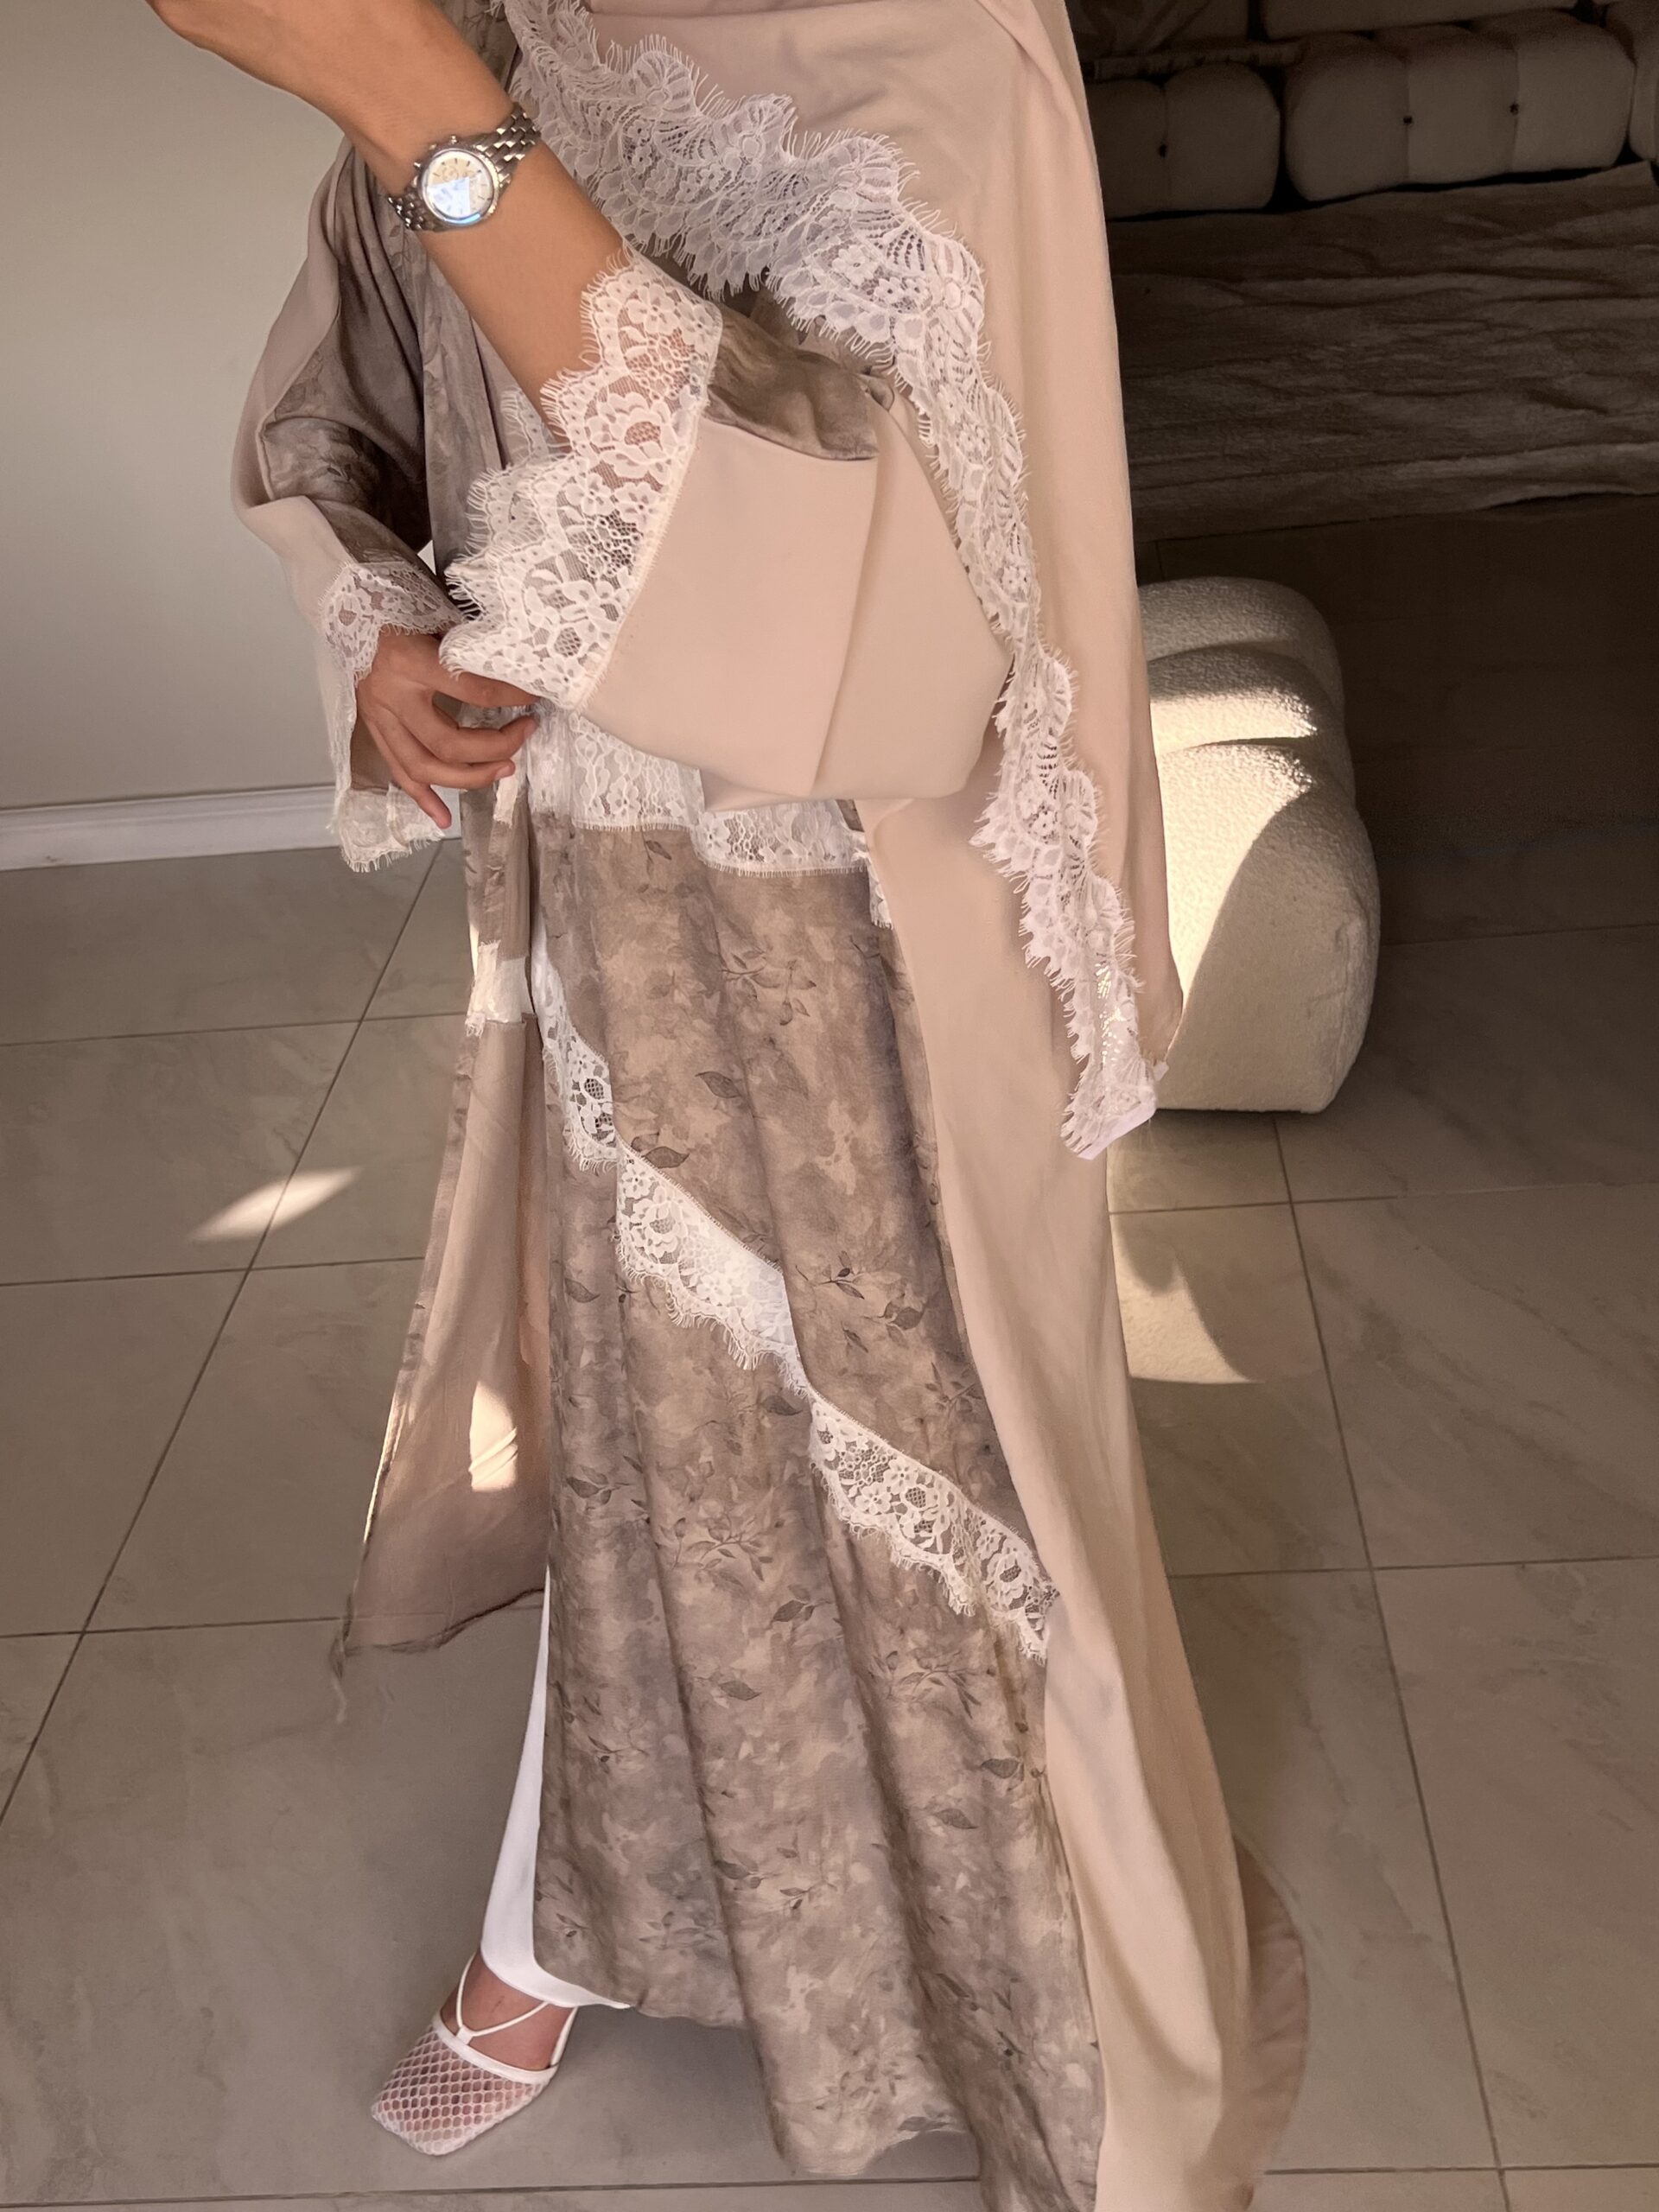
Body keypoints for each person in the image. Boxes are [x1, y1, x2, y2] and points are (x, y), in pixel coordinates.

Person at [149, 0, 1306, 2204]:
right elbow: (350, 387)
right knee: (651, 1434)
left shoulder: (945, 47)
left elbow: (882, 622)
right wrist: (375, 621)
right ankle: (564, 1904)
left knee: (926, 1471)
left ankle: (1015, 2001)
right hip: (608, 904)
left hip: (869, 951)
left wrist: (416, 103)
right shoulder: (507, 18)